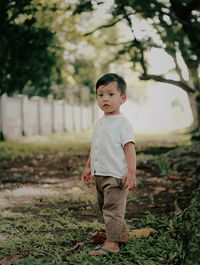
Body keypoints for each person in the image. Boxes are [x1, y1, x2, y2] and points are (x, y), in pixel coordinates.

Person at [82, 73, 137, 256]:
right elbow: (95, 147)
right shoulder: (100, 122)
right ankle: (121, 234)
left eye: (111, 94)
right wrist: (89, 166)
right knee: (104, 206)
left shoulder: (123, 123)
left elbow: (129, 148)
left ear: (122, 98)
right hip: (100, 174)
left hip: (115, 176)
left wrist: (131, 172)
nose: (105, 99)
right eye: (100, 94)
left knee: (112, 210)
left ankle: (113, 243)